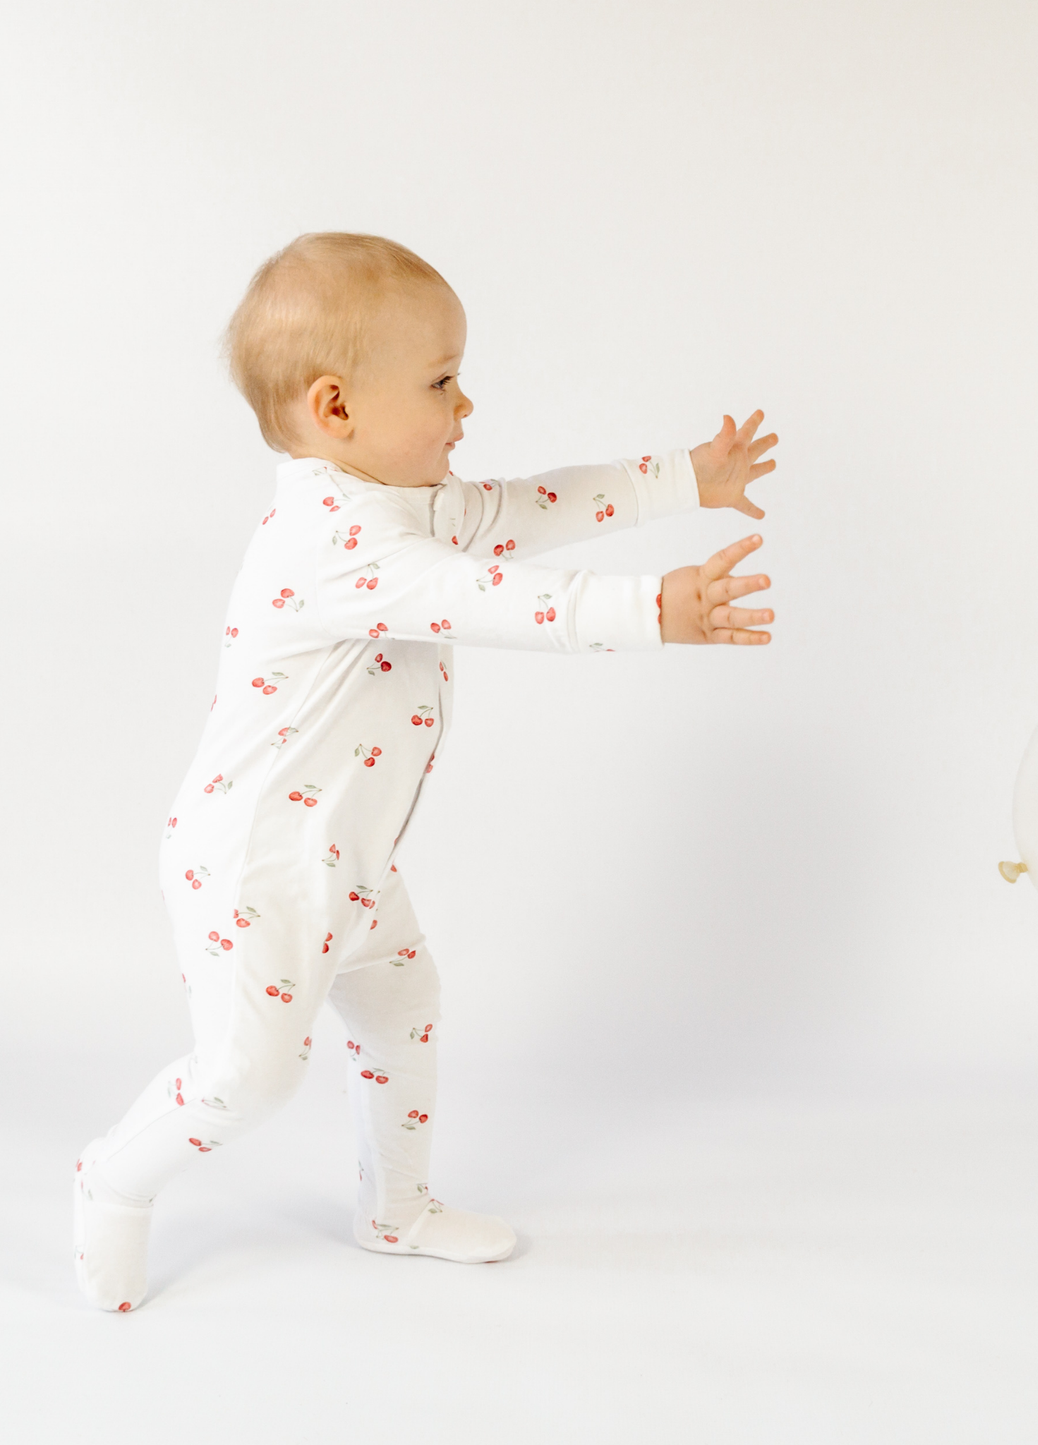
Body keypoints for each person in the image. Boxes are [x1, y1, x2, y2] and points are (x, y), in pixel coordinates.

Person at [74, 232, 777, 1313]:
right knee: (249, 1077)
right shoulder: (335, 540)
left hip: (348, 859)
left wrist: (681, 477)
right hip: (258, 869)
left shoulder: (402, 502)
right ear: (335, 408)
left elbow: (531, 508)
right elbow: (498, 604)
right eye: (442, 381)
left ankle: (395, 1211)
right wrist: (654, 607)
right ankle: (113, 1179)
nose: (466, 406)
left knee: (404, 1010)